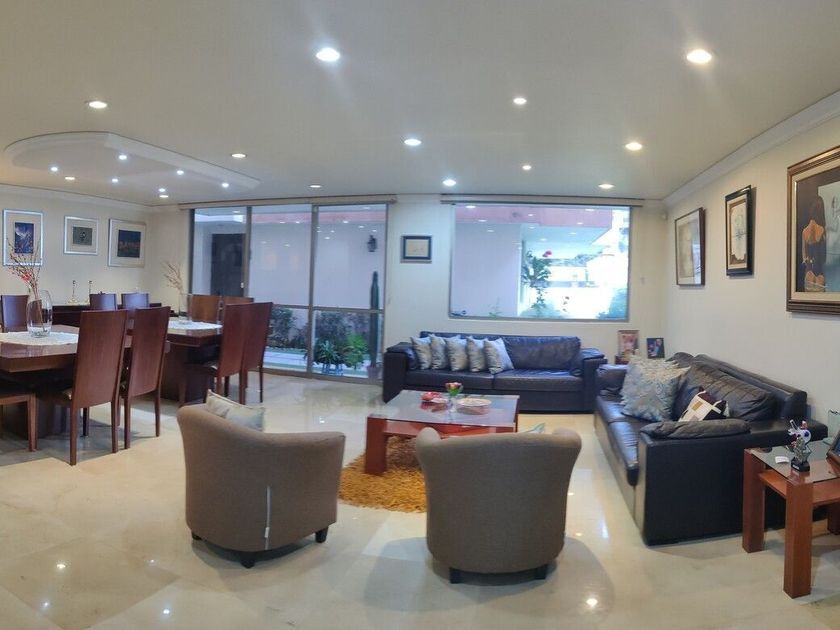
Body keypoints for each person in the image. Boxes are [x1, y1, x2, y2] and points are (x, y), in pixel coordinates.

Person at [802, 194, 827, 291]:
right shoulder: (822, 230)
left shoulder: (804, 231)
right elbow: (824, 258)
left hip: (808, 273)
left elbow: (804, 258)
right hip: (820, 274)